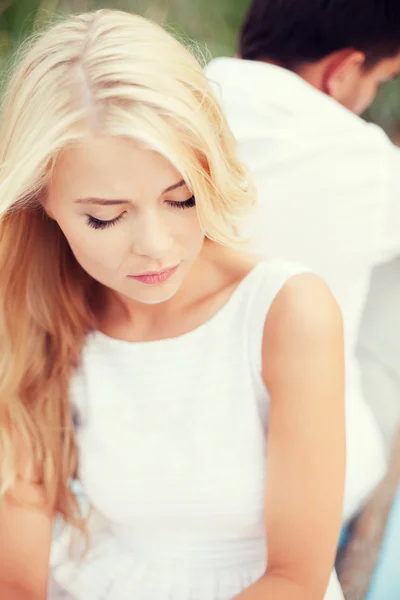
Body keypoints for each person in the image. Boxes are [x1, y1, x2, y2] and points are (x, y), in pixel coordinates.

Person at [0, 9, 345, 600]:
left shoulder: (287, 313)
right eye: (105, 216)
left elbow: (296, 578)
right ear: (43, 203)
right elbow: (18, 573)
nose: (155, 246)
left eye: (181, 199)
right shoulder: (39, 313)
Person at [205, 0, 400, 523]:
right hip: (311, 485)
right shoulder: (370, 160)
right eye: (378, 79)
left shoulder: (169, 114)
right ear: (341, 71)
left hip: (154, 455)